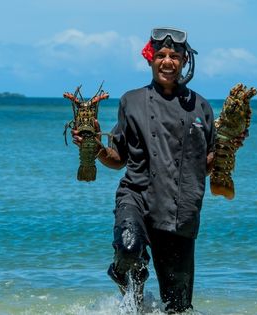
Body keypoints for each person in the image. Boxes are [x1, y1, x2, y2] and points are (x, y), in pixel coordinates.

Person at [72, 27, 216, 313]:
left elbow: (207, 166)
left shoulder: (201, 107)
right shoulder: (131, 101)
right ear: (150, 59)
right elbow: (118, 158)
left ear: (185, 60)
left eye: (174, 56)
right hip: (136, 196)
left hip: (181, 211)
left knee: (178, 308)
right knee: (128, 248)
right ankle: (127, 279)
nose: (167, 61)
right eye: (160, 55)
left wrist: (230, 147)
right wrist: (95, 146)